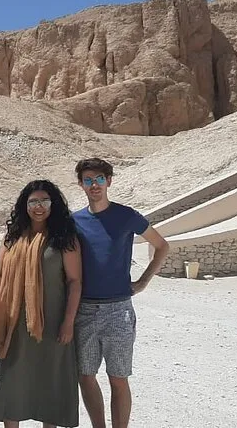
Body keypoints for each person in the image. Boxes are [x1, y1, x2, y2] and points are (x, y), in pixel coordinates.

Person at [72, 158, 169, 428]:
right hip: (84, 310)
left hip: (118, 311)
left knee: (118, 377)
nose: (94, 185)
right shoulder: (74, 221)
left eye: (99, 179)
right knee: (85, 376)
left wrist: (143, 282)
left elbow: (162, 246)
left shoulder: (126, 216)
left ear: (109, 181)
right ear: (81, 184)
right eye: (88, 180)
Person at [0, 180, 82, 427]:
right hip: (15, 324)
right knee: (13, 382)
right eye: (33, 202)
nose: (38, 207)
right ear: (25, 205)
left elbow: (74, 282)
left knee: (50, 383)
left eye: (44, 201)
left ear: (53, 204)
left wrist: (68, 322)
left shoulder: (64, 238)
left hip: (51, 324)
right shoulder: (12, 237)